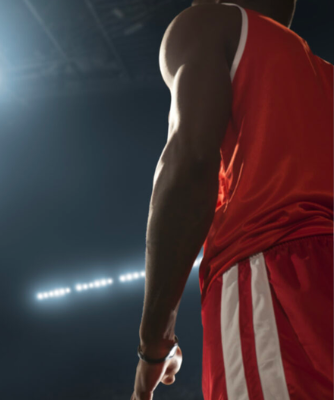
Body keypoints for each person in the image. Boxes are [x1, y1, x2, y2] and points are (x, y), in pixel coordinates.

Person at [131, 1, 331, 399]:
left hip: (275, 272)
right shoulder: (323, 75)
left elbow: (189, 167)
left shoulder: (209, 22)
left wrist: (154, 344)